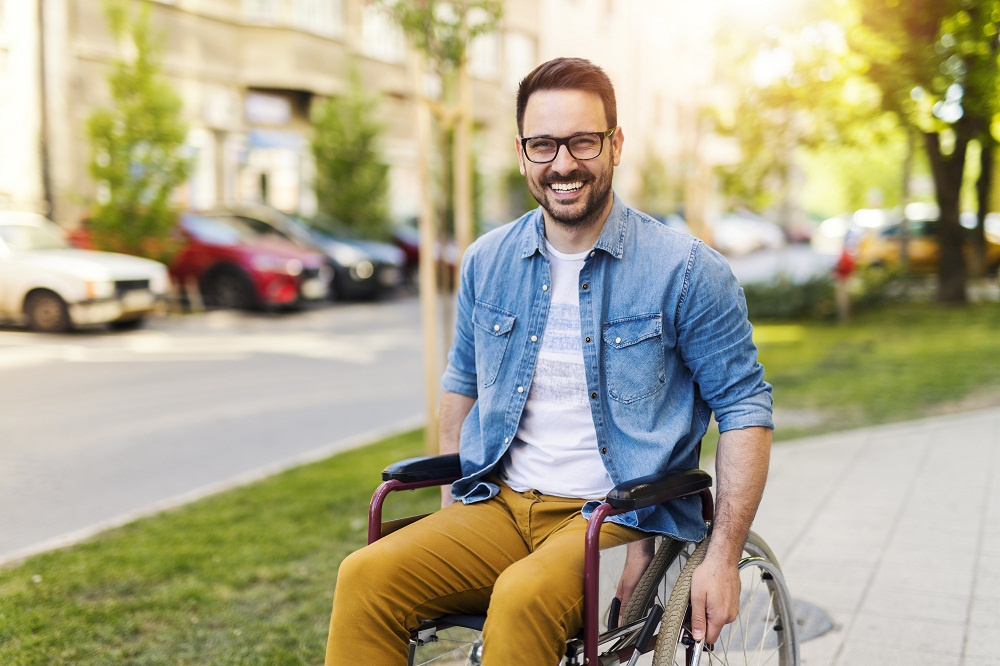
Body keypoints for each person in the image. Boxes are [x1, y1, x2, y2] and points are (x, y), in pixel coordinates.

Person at [325, 57, 773, 665]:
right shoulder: (488, 261)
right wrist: (452, 511)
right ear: (521, 153)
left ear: (615, 145)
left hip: (621, 518)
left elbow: (745, 408)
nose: (563, 164)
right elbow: (462, 383)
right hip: (503, 504)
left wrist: (722, 555)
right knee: (364, 576)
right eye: (543, 145)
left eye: (583, 141)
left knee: (522, 595)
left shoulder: (687, 271)